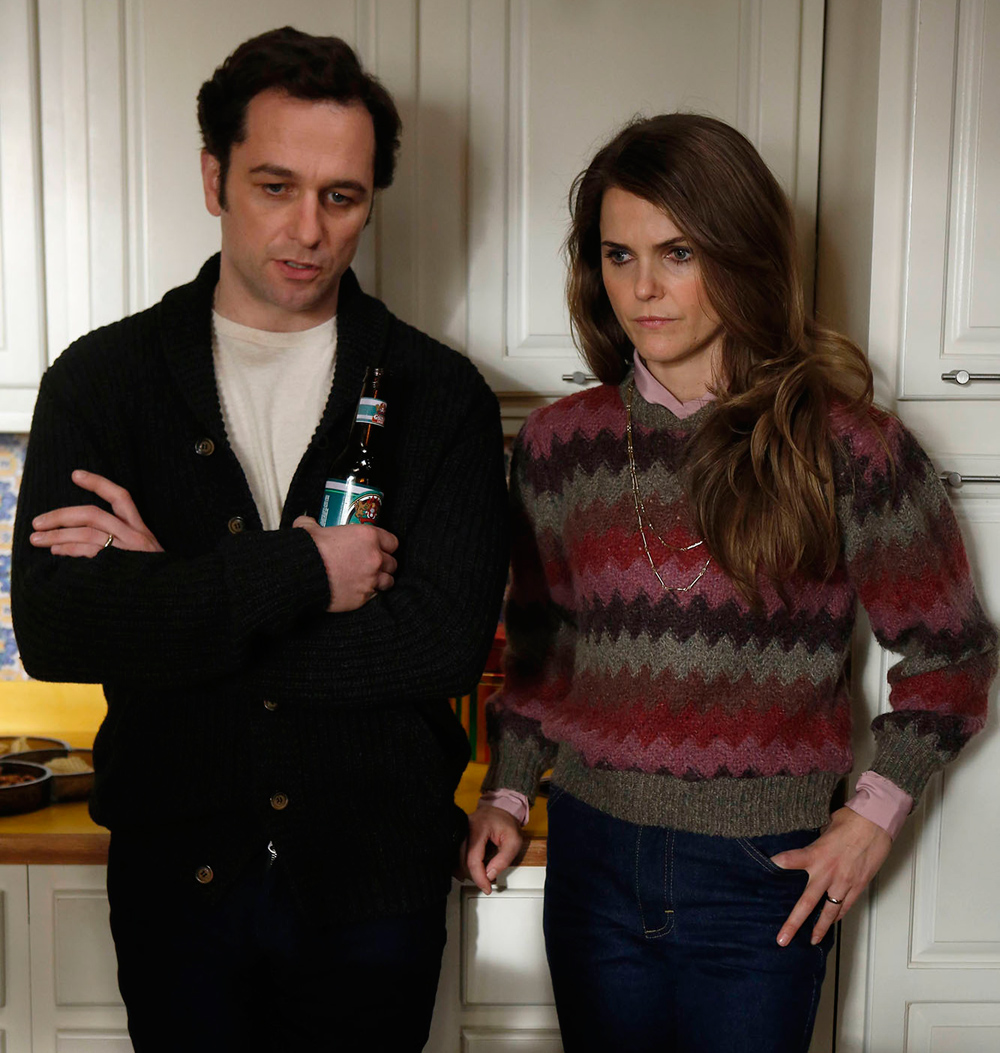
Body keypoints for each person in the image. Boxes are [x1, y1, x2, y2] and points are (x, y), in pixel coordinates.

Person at [12, 27, 508, 1053]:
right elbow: (58, 631)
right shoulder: (100, 382)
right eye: (274, 186)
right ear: (214, 177)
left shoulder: (440, 394)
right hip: (177, 886)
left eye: (342, 196)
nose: (309, 229)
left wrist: (173, 597)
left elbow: (440, 648)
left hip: (375, 888)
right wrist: (302, 572)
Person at [464, 113, 998, 1053]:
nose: (643, 287)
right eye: (619, 255)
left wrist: (872, 819)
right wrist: (508, 793)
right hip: (591, 855)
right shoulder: (559, 443)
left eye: (678, 253)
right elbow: (544, 648)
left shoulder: (848, 446)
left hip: (762, 872)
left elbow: (952, 654)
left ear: (742, 254)